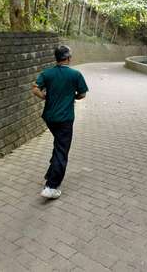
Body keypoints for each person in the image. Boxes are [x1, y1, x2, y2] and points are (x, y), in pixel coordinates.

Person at [32, 45, 88, 199]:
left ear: (56, 58)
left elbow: (35, 88)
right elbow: (82, 94)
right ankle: (51, 186)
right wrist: (73, 96)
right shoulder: (75, 74)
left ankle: (50, 173)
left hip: (49, 117)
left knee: (58, 144)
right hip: (65, 118)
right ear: (68, 58)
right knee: (62, 150)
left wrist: (45, 97)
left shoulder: (47, 73)